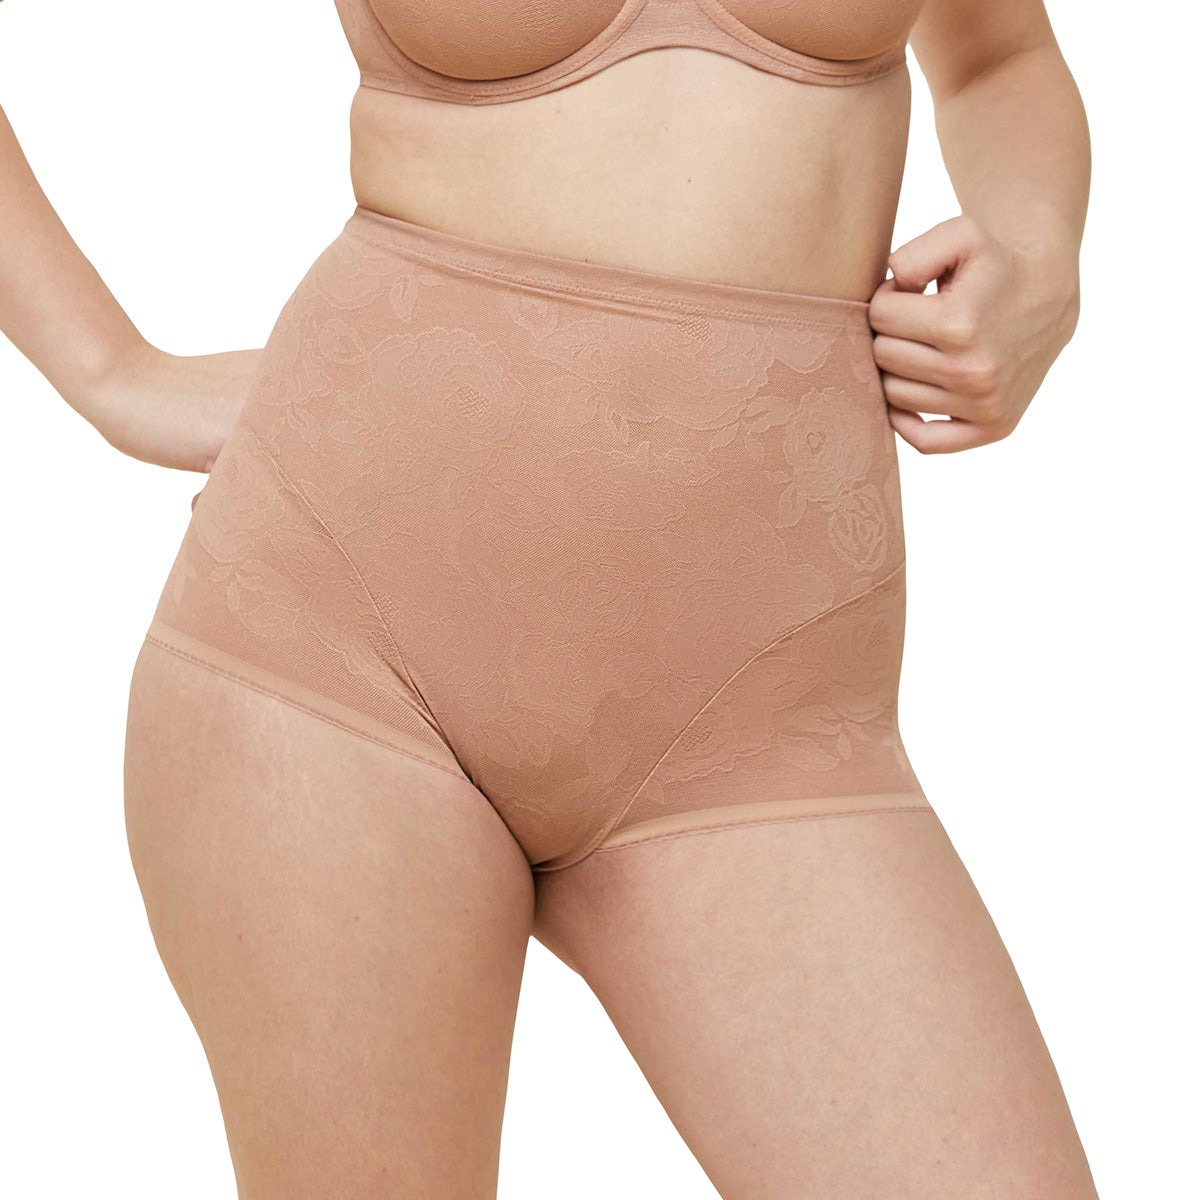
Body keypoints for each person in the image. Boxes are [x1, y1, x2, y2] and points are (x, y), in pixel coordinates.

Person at [0, 0, 1095, 1196]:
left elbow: (997, 54)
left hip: (767, 719)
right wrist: (110, 371)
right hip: (340, 659)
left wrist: (1037, 252)